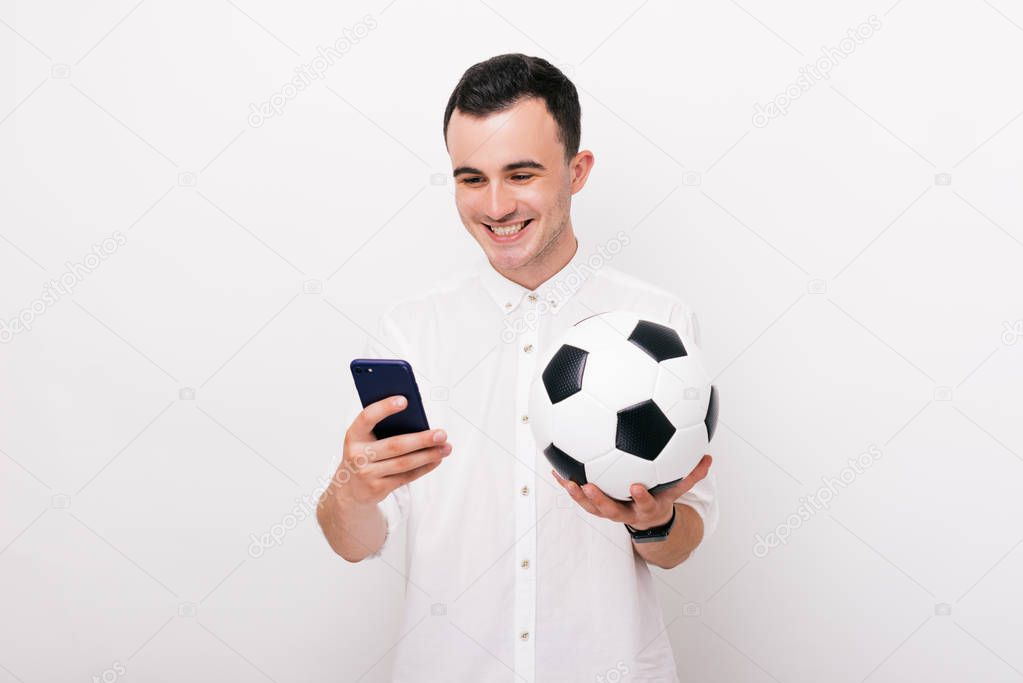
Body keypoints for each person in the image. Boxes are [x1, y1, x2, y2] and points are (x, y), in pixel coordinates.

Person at [317, 53, 718, 682]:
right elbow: (355, 543)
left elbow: (682, 545)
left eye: (522, 174)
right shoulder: (411, 331)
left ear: (577, 172)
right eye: (471, 179)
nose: (496, 205)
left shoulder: (656, 322)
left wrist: (655, 522)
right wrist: (350, 488)